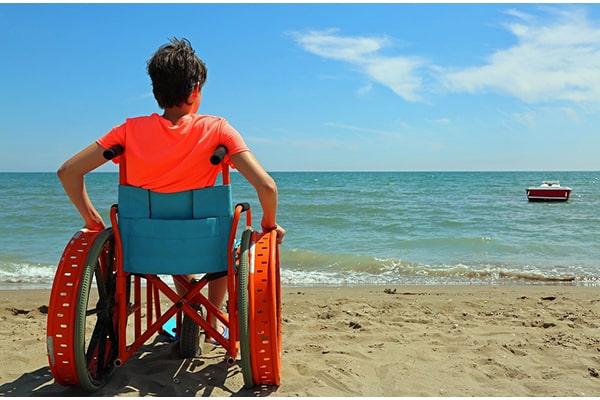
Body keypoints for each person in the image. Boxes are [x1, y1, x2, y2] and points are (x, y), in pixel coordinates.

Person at [57, 37, 285, 343]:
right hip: (207, 249)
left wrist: (93, 221)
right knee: (222, 241)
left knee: (171, 237)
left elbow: (68, 172)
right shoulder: (217, 129)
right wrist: (269, 224)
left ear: (156, 92)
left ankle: (190, 311)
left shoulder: (128, 131)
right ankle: (211, 320)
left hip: (142, 252)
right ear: (195, 90)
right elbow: (267, 186)